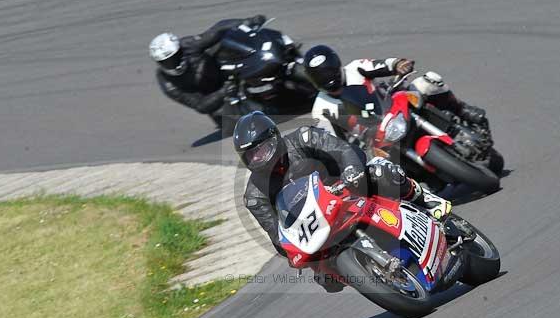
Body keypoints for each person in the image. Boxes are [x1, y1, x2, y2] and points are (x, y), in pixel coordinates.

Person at [233, 111, 452, 289]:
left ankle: (425, 199)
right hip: (315, 225)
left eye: (261, 150)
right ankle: (374, 277)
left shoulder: (303, 138)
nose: (258, 158)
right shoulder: (254, 196)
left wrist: (351, 170)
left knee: (379, 171)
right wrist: (291, 251)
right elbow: (276, 235)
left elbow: (343, 149)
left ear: (275, 138)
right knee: (325, 279)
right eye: (251, 156)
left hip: (347, 188)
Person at [303, 45, 488, 130]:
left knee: (429, 80)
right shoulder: (320, 108)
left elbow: (382, 64)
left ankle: (462, 109)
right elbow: (329, 137)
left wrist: (399, 64)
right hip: (375, 134)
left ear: (337, 66)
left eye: (328, 72)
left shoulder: (354, 67)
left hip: (394, 103)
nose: (327, 78)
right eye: (320, 76)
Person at [148, 15, 267, 125]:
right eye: (165, 61)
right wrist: (224, 91)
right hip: (217, 97)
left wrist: (247, 22)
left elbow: (217, 30)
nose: (171, 63)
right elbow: (200, 105)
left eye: (173, 57)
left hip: (222, 70)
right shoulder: (167, 83)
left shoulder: (188, 45)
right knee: (234, 123)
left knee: (227, 42)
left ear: (179, 50)